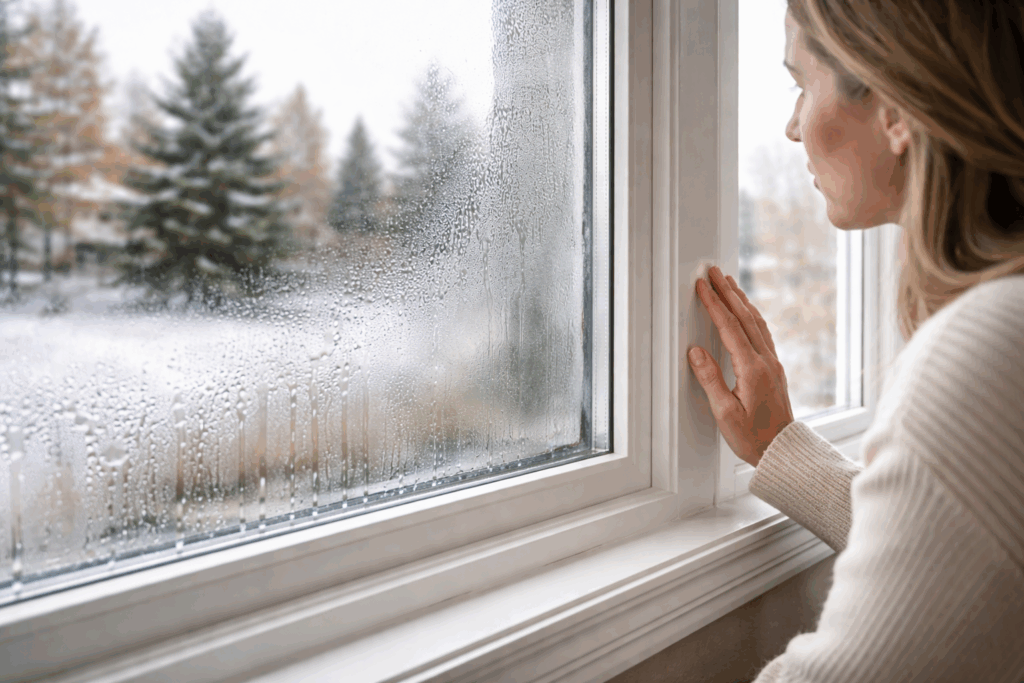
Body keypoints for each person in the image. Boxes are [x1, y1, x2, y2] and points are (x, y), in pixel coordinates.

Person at [687, 1, 1024, 681]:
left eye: (800, 85)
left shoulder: (988, 345)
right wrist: (780, 444)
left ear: (895, 109)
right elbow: (960, 557)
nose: (791, 126)